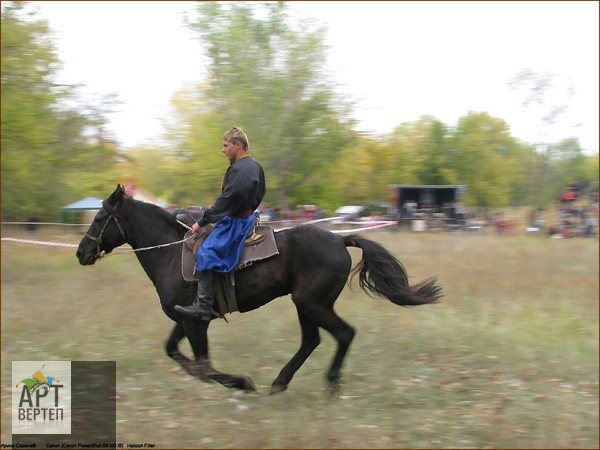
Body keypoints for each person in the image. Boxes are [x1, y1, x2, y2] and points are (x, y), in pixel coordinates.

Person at [175, 127, 266, 322]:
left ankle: (204, 306)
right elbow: (260, 194)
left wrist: (202, 221)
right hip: (243, 216)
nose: (222, 150)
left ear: (238, 145)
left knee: (205, 252)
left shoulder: (240, 169)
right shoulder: (255, 166)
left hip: (236, 222)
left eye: (225, 146)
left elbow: (227, 200)